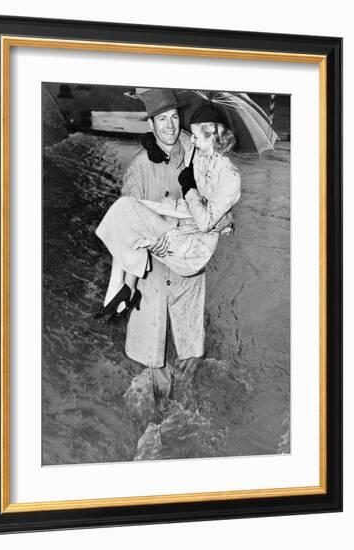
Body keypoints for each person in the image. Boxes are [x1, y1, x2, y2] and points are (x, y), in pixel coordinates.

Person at [97, 89, 240, 397]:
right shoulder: (138, 166)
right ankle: (152, 427)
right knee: (152, 363)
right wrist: (148, 245)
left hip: (187, 267)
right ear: (151, 125)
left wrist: (226, 220)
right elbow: (129, 222)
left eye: (174, 118)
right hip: (154, 271)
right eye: (162, 120)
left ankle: (191, 418)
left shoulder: (197, 147)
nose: (170, 126)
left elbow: (221, 199)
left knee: (190, 357)